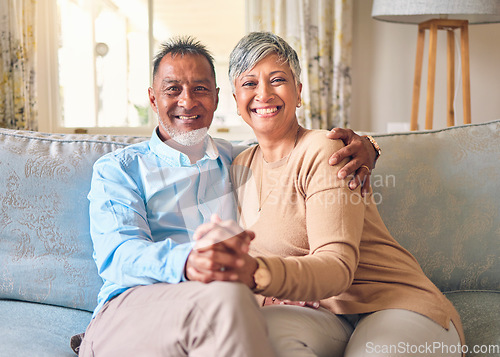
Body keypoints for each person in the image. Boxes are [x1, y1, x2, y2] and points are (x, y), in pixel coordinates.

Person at [77, 36, 379, 356]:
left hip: (227, 306)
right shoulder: (119, 169)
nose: (187, 100)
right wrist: (189, 263)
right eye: (172, 89)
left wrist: (369, 149)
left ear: (219, 98)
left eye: (200, 89)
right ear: (153, 99)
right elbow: (119, 256)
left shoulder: (238, 161)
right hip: (133, 306)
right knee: (227, 299)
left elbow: (291, 176)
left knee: (232, 302)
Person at [211, 31, 463, 357]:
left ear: (299, 92)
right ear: (235, 99)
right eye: (249, 84)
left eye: (277, 80)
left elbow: (336, 267)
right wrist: (265, 294)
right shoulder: (240, 165)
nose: (263, 93)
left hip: (394, 302)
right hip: (327, 316)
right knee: (254, 334)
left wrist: (258, 273)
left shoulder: (324, 150)